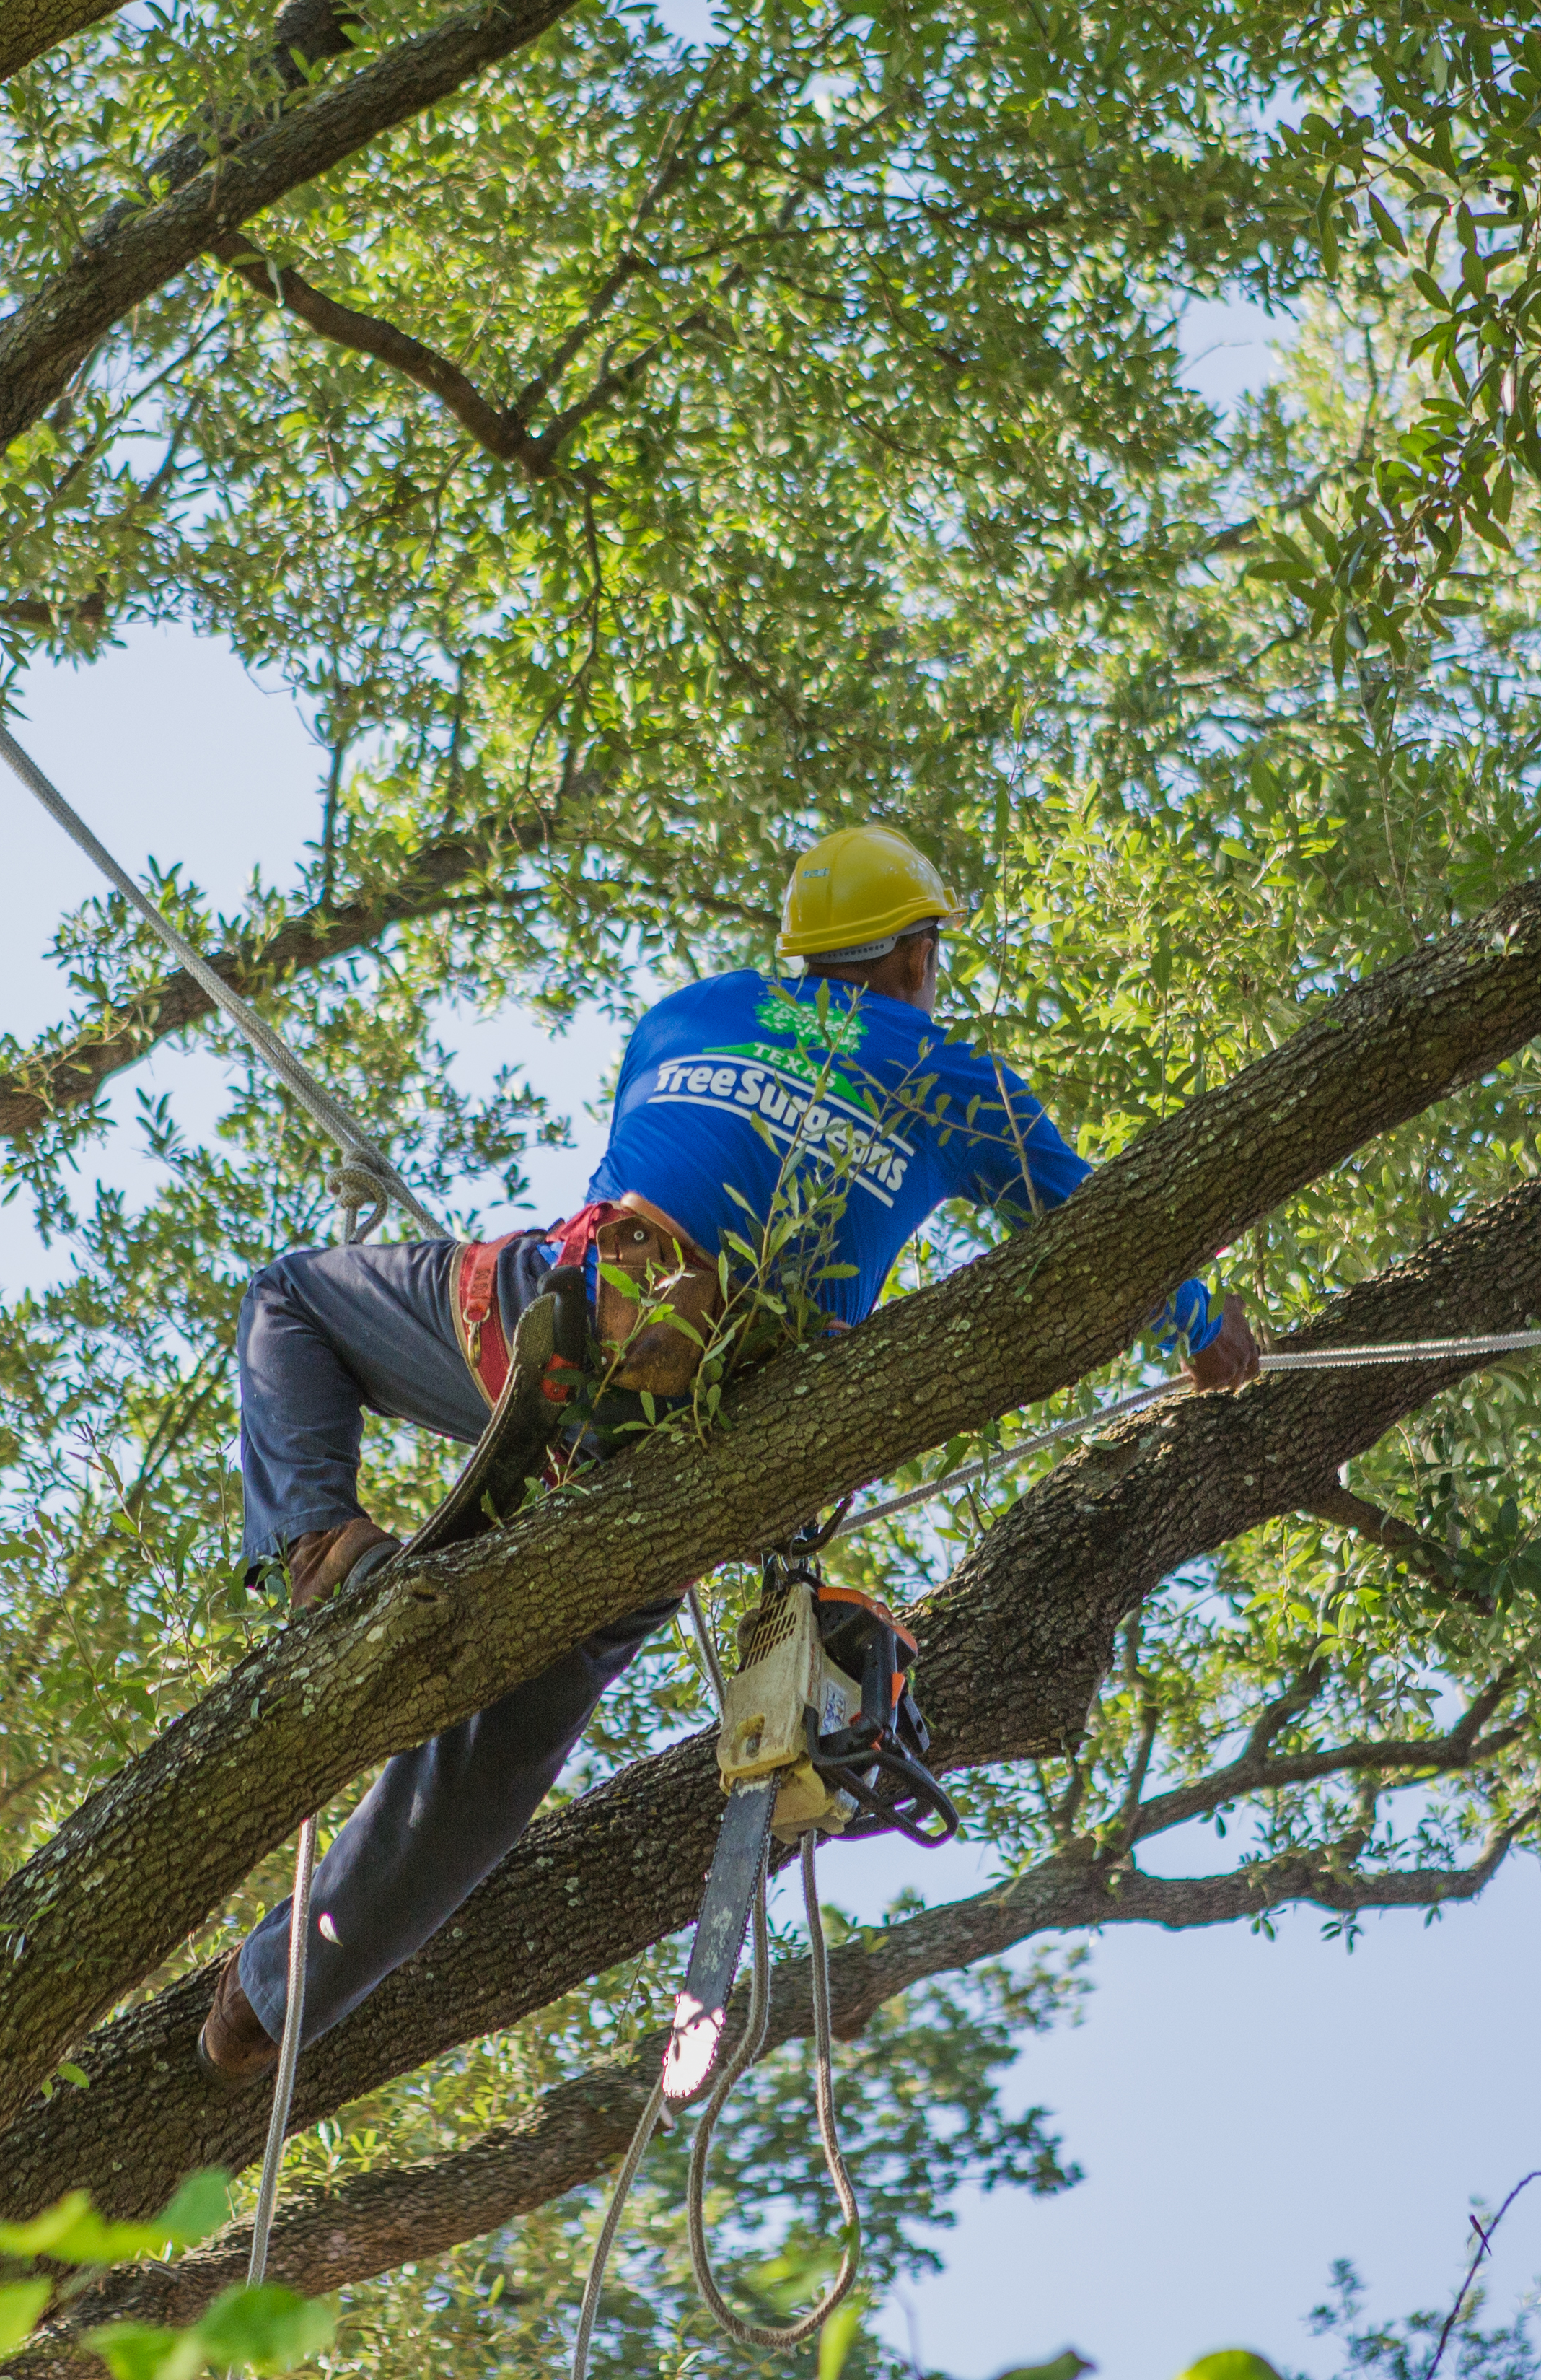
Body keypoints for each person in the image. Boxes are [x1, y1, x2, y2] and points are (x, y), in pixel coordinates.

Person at [198, 823, 1260, 2086]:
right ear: (914, 956)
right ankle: (279, 1997)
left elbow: (655, 1163)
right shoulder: (951, 1080)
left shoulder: (692, 1009)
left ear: (807, 952)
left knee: (295, 1304)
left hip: (564, 1326)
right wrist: (1205, 1324)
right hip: (716, 1446)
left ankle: (326, 1545)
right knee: (504, 1747)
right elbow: (1100, 1229)